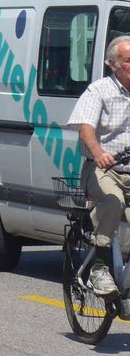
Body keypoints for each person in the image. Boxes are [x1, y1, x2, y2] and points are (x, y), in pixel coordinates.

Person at [66, 34, 130, 296]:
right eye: (128, 60)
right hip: (103, 170)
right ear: (114, 65)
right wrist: (99, 152)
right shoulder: (99, 90)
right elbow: (85, 129)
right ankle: (99, 269)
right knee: (112, 201)